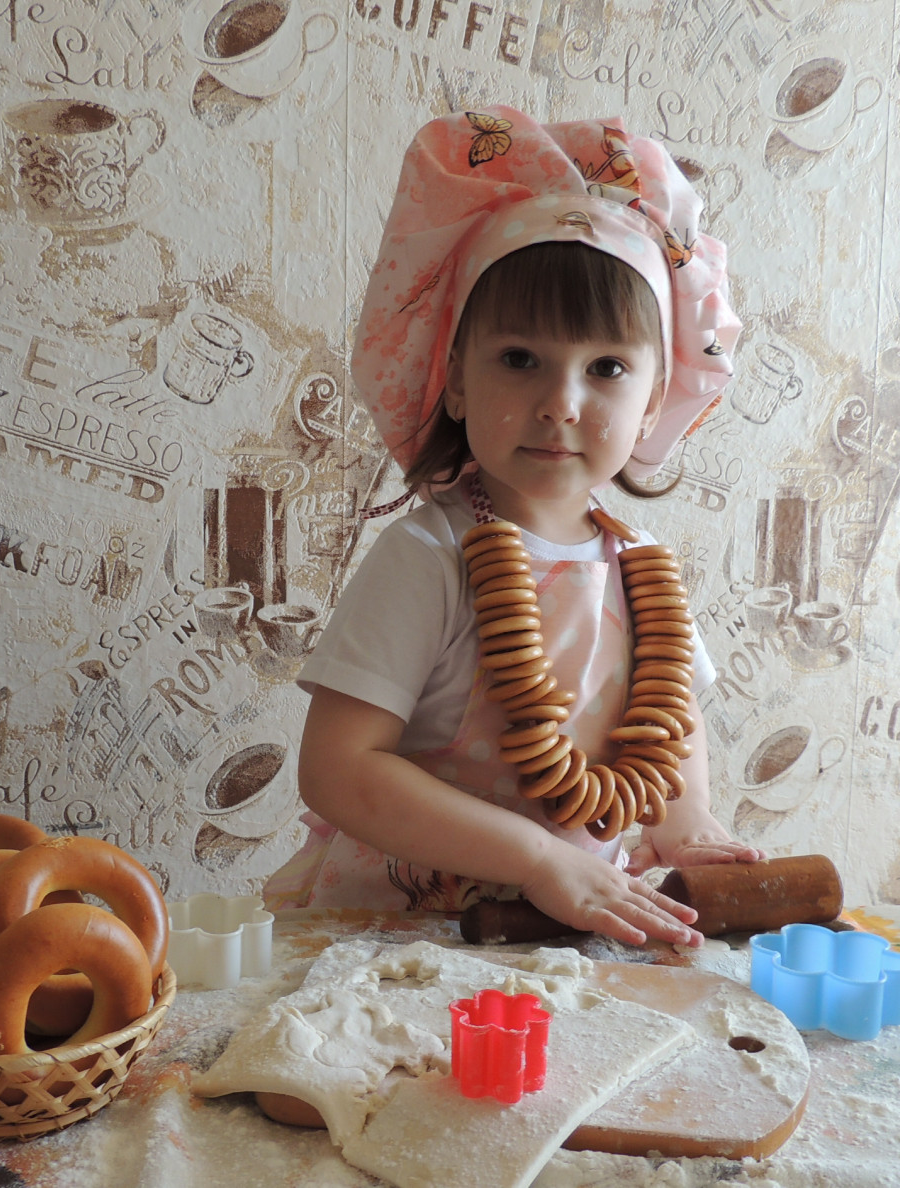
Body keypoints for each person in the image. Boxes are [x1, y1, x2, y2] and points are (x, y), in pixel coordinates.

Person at [263, 109, 765, 946]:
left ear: (653, 402)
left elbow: (667, 725)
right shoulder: (428, 557)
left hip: (567, 940)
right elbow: (338, 770)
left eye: (606, 368)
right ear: (456, 379)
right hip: (404, 940)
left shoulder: (641, 569)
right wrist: (537, 859)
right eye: (520, 359)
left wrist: (688, 826)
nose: (560, 403)